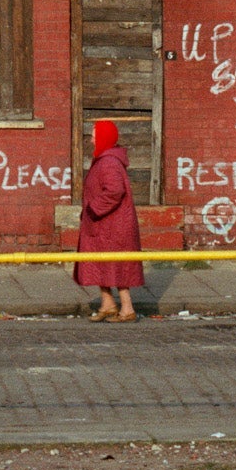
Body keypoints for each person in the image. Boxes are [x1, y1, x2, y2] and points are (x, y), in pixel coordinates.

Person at [74, 118, 143, 321]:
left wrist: (94, 209)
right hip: (103, 224)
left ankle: (127, 309)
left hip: (111, 224)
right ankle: (108, 304)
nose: (92, 139)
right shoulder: (105, 159)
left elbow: (115, 191)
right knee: (100, 263)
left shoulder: (109, 162)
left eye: (95, 135)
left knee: (116, 265)